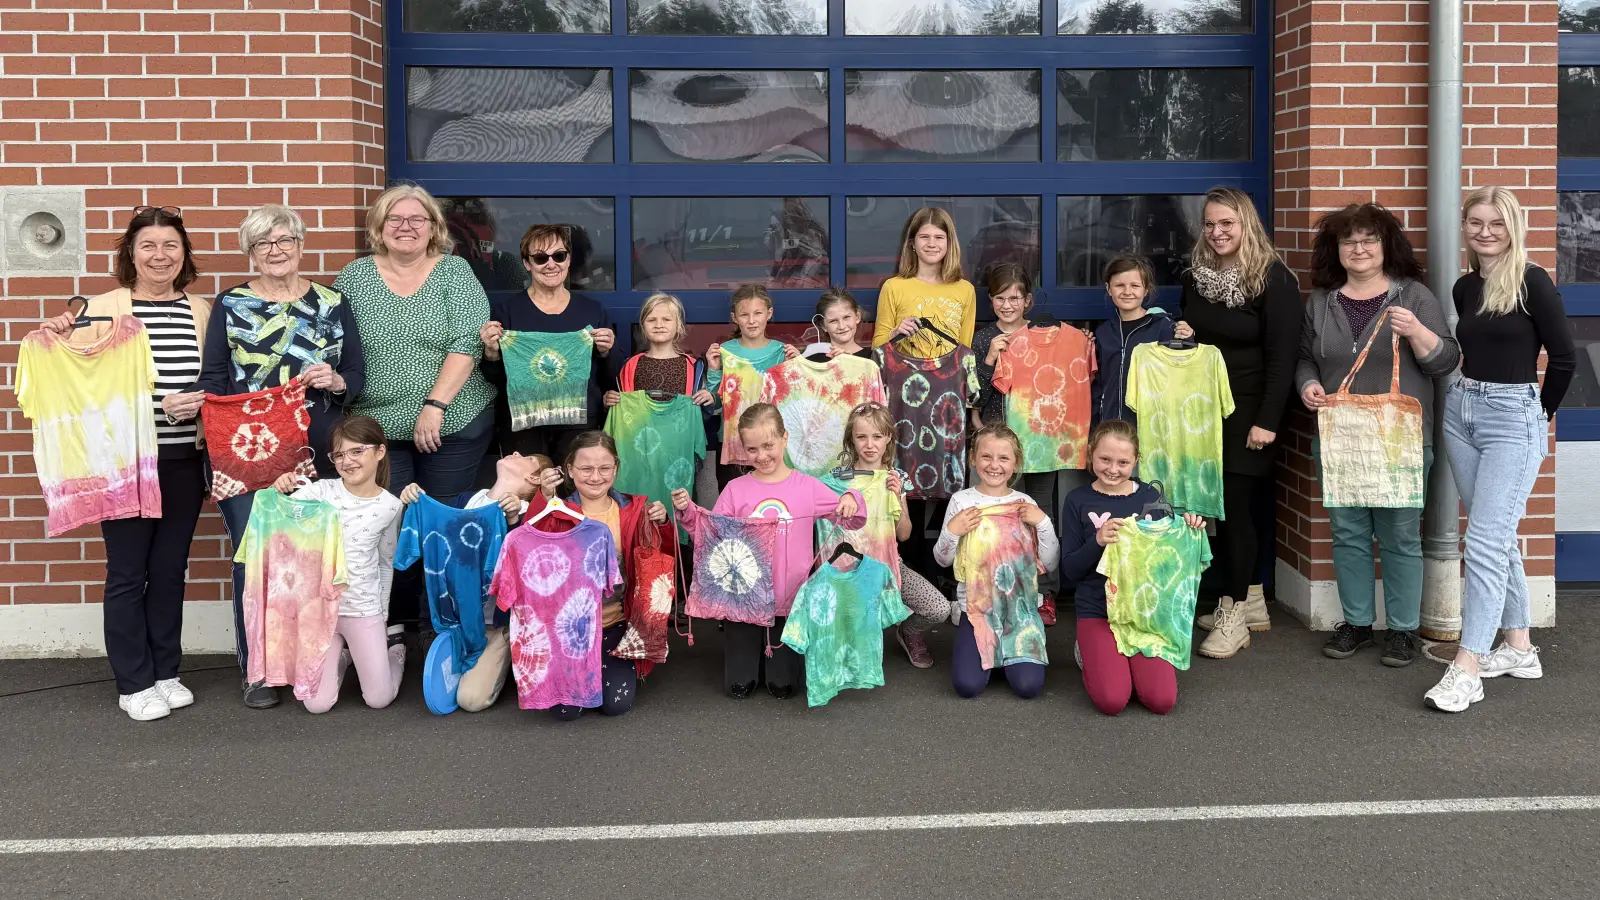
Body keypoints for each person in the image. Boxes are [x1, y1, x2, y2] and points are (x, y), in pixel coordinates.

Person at [39, 206, 213, 721]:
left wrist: (201, 400)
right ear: (130, 255)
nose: (160, 255)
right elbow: (72, 375)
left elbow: (220, 374)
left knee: (168, 570)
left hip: (184, 457)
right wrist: (56, 332)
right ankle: (133, 682)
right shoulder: (101, 307)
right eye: (148, 246)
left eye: (170, 246)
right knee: (127, 571)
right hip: (123, 464)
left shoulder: (202, 309)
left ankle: (166, 671)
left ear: (183, 254)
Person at [195, 204, 367, 710]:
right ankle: (259, 670)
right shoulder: (231, 303)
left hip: (319, 444)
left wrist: (336, 381)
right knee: (257, 559)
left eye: (284, 241)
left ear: (300, 245)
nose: (275, 251)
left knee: (317, 556)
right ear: (250, 252)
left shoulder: (333, 302)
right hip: (250, 448)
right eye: (263, 244)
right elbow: (214, 378)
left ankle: (316, 661)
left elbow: (355, 374)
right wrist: (198, 408)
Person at [1425, 187, 1577, 713]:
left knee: (1485, 541)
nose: (1485, 232)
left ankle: (1467, 666)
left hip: (1514, 417)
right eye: (1475, 222)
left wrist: (1539, 414)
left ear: (1513, 227)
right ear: (1464, 226)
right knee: (1498, 535)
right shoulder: (1465, 286)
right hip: (1462, 409)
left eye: (1496, 223)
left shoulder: (1532, 282)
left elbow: (1564, 358)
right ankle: (1518, 647)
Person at [1295, 203, 1460, 668]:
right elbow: (1306, 357)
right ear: (1337, 250)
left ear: (1387, 247)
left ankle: (1404, 629)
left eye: (1369, 240)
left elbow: (1445, 361)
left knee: (1400, 536)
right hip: (1340, 435)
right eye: (1349, 241)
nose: (1359, 249)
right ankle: (1357, 624)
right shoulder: (1321, 302)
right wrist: (1307, 384)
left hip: (1398, 439)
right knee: (1347, 533)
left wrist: (1418, 333)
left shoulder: (1413, 297)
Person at [333, 184, 497, 633]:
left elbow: (467, 342)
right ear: (379, 229)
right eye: (395, 219)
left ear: (433, 228)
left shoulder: (455, 273)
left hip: (453, 419)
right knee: (389, 526)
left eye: (416, 219)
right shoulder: (353, 278)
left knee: (441, 527)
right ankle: (390, 628)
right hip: (377, 428)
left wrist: (434, 405)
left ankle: (439, 630)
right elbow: (337, 346)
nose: (405, 227)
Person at [1175, 187, 1303, 660]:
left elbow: (1283, 356)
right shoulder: (1196, 278)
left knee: (1235, 508)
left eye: (1227, 223)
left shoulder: (1273, 279)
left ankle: (1232, 615)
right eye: (1209, 224)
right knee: (1222, 506)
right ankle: (1251, 601)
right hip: (1205, 410)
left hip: (1251, 411)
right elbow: (1199, 335)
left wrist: (1268, 420)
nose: (1217, 232)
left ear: (1246, 224)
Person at [671, 403, 862, 700]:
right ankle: (744, 669)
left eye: (768, 445)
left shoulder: (807, 487)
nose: (761, 456)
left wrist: (851, 497)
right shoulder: (736, 489)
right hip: (743, 594)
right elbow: (713, 533)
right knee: (739, 665)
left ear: (785, 438)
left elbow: (855, 515)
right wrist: (687, 511)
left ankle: (779, 670)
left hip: (789, 591)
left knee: (784, 681)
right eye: (752, 449)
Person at [1060, 420, 1205, 715]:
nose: (1113, 469)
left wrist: (1188, 529)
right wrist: (1097, 541)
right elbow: (1070, 570)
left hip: (1144, 613)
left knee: (1161, 701)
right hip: (1098, 610)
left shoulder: (1150, 498)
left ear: (1136, 461)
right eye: (1105, 459)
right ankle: (1089, 650)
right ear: (1091, 454)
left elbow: (1168, 559)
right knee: (1113, 701)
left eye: (1123, 462)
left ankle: (1119, 661)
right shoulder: (1077, 500)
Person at [270, 416, 405, 714]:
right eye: (340, 455)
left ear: (379, 452)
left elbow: (386, 562)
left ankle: (394, 651)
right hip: (321, 614)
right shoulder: (320, 492)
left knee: (378, 699)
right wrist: (281, 489)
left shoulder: (391, 506)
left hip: (363, 610)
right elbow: (280, 515)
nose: (347, 461)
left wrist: (381, 613)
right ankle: (344, 658)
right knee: (316, 704)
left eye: (357, 451)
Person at [531, 431, 670, 720]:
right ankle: (570, 669)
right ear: (569, 469)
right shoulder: (557, 511)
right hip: (569, 632)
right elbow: (530, 544)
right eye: (585, 468)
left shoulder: (632, 510)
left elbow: (661, 562)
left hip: (615, 625)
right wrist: (543, 499)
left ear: (616, 468)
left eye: (604, 468)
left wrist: (664, 523)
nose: (595, 476)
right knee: (566, 711)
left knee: (615, 705)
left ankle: (605, 668)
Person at [400, 451, 551, 712]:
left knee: (470, 700)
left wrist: (514, 522)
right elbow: (430, 545)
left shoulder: (532, 516)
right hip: (449, 620)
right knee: (441, 688)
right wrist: (412, 502)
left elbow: (527, 570)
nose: (515, 452)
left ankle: (505, 653)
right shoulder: (465, 500)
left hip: (493, 624)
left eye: (525, 456)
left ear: (534, 476)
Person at [934, 424, 1059, 699]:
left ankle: (1006, 654)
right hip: (978, 611)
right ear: (973, 459)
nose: (994, 465)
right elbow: (942, 560)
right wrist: (953, 530)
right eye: (986, 457)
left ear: (1016, 463)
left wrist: (1044, 522)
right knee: (967, 686)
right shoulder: (961, 501)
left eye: (1003, 458)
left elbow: (1049, 564)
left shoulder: (1024, 504)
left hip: (1020, 612)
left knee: (1028, 687)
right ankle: (995, 654)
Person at [825, 402, 954, 669]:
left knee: (939, 608)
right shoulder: (839, 478)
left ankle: (908, 631)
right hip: (850, 570)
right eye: (861, 437)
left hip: (890, 565)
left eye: (877, 436)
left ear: (888, 439)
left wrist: (897, 496)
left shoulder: (897, 478)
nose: (869, 444)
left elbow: (904, 534)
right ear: (852, 439)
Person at [480, 223, 617, 464]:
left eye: (559, 256)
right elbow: (497, 379)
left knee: (574, 492)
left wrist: (607, 352)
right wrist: (491, 354)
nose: (551, 264)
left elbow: (611, 377)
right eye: (541, 258)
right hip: (523, 425)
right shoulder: (507, 311)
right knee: (527, 493)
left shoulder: (592, 311)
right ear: (527, 263)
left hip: (579, 424)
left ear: (568, 260)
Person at [704, 284, 799, 486]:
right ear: (734, 318)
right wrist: (713, 370)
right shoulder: (725, 351)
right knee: (735, 509)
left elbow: (794, 400)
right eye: (744, 315)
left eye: (758, 313)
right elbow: (715, 401)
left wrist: (797, 368)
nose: (752, 320)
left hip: (771, 444)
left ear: (769, 314)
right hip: (733, 444)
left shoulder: (782, 352)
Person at [871, 206, 977, 359]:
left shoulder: (965, 290)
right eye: (924, 237)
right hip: (905, 379)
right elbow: (876, 347)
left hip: (949, 380)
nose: (931, 244)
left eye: (939, 237)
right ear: (913, 243)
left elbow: (965, 351)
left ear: (949, 243)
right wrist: (895, 333)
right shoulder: (893, 287)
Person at [1092, 255, 1176, 428]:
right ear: (1108, 288)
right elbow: (1098, 387)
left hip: (1152, 427)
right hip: (1109, 427)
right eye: (1119, 285)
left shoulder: (1164, 329)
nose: (1127, 291)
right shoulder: (1103, 333)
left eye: (1135, 286)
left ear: (1146, 290)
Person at [604, 292, 715, 406]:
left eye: (666, 319)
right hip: (639, 424)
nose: (659, 325)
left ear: (678, 326)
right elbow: (620, 410)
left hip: (681, 424)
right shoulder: (630, 365)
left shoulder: (693, 367)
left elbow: (702, 413)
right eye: (651, 320)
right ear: (643, 326)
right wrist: (609, 402)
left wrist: (709, 399)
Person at [971, 263, 1032, 429]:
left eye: (1013, 298)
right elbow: (976, 400)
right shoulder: (982, 339)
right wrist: (990, 359)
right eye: (1000, 298)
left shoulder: (1041, 334)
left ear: (1026, 300)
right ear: (991, 299)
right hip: (994, 431)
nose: (1006, 306)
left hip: (1034, 432)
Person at [806, 286, 872, 361]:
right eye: (833, 321)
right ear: (823, 325)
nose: (841, 326)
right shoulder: (811, 361)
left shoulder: (872, 359)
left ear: (857, 317)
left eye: (846, 317)